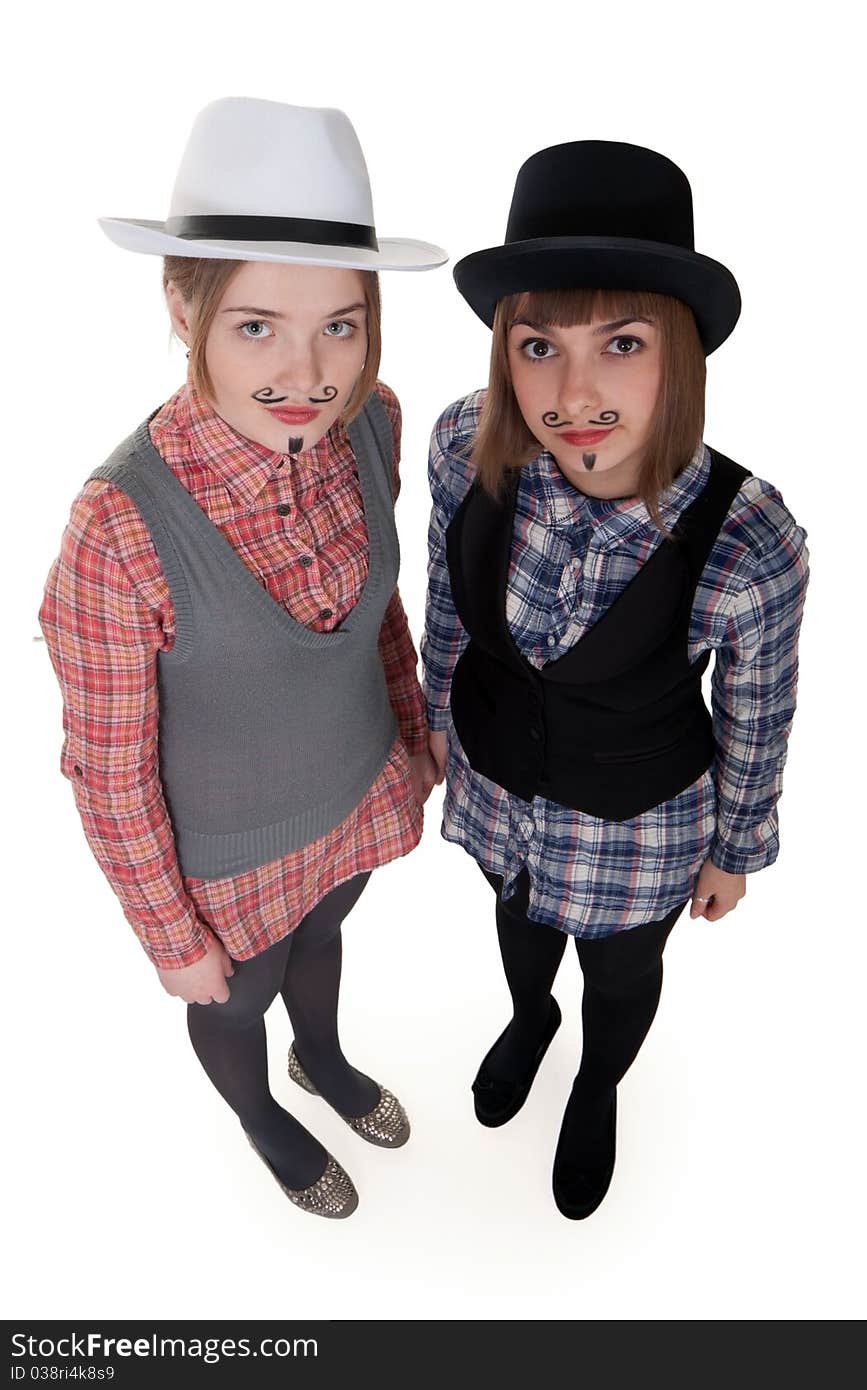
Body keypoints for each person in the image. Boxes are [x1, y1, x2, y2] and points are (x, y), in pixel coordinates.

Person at [39, 97, 446, 1219]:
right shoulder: (118, 529)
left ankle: (322, 1057)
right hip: (222, 855)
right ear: (184, 305)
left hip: (354, 785)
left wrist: (410, 737)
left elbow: (379, 612)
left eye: (343, 325)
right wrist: (170, 938)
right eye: (258, 325)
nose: (308, 371)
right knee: (235, 996)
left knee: (327, 933)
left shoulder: (374, 422)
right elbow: (109, 768)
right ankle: (265, 1112)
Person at [422, 140, 809, 1220]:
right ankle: (528, 1018)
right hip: (497, 776)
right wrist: (437, 708)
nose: (573, 392)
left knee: (621, 971)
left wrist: (738, 849)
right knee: (514, 917)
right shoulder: (468, 443)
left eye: (621, 343)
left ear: (679, 354)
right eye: (538, 344)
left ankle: (596, 1081)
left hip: (637, 821)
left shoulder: (748, 538)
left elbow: (758, 713)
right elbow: (447, 586)